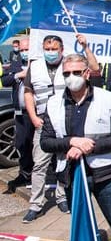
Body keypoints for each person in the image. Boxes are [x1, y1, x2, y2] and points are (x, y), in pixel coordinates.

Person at [40, 53, 111, 241]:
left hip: (104, 175)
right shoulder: (54, 102)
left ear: (86, 73)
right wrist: (71, 142)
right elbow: (45, 142)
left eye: (75, 72)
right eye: (66, 73)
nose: (70, 77)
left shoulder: (106, 98)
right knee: (82, 225)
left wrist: (89, 146)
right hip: (72, 176)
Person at [22, 34, 99, 223]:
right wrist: (33, 117)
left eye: (54, 49)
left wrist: (86, 47)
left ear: (61, 49)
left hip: (64, 120)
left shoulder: (70, 65)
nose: (50, 52)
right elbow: (28, 92)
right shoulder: (36, 66)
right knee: (39, 163)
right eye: (47, 49)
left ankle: (61, 197)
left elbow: (95, 70)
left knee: (63, 162)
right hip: (42, 121)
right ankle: (35, 205)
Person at [1, 38, 33, 192]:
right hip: (20, 113)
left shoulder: (39, 64)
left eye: (27, 49)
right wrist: (18, 74)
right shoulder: (14, 64)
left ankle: (45, 175)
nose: (24, 52)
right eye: (22, 50)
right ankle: (25, 173)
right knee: (21, 143)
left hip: (37, 112)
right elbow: (5, 80)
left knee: (39, 145)